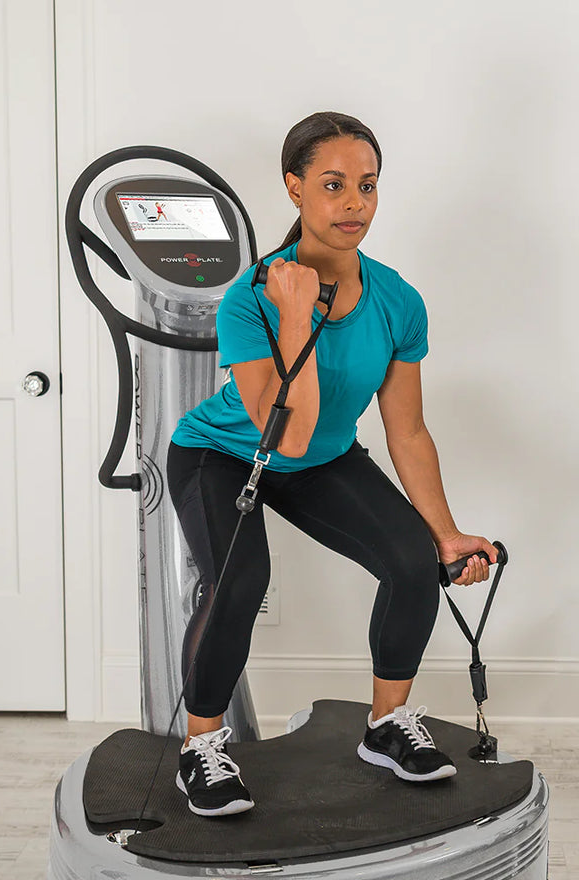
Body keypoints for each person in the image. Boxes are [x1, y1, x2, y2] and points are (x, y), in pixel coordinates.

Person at [167, 111, 498, 817]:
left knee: (413, 562)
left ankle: (386, 725)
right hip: (222, 455)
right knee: (239, 579)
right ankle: (200, 748)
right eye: (334, 184)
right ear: (294, 188)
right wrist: (295, 315)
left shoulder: (397, 300)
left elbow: (408, 431)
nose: (354, 203)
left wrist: (444, 534)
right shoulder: (250, 298)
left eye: (367, 186)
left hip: (324, 457)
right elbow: (285, 436)